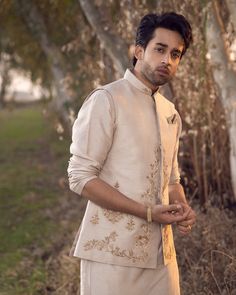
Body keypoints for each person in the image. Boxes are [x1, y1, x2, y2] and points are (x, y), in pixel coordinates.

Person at [68, 12, 196, 295]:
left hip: (163, 257)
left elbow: (172, 180)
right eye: (159, 49)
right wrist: (148, 212)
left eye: (176, 54)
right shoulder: (107, 100)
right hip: (111, 256)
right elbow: (79, 177)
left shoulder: (170, 113)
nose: (168, 60)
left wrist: (181, 207)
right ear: (138, 51)